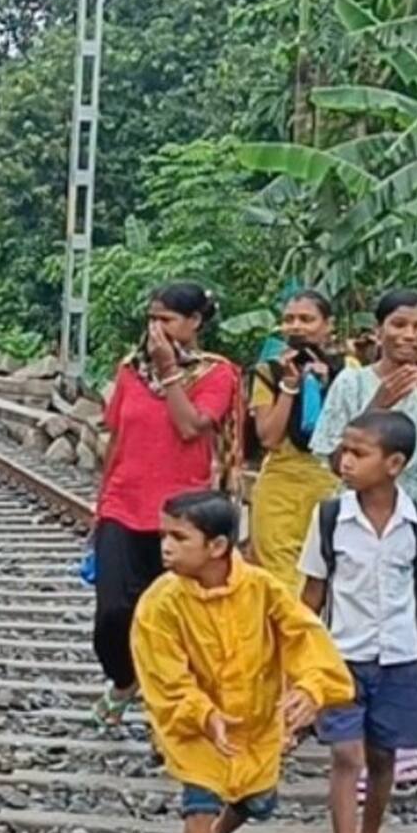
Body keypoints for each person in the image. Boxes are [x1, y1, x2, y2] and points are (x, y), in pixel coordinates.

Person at [132, 490, 353, 833]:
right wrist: (202, 712)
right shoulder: (160, 603)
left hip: (254, 720)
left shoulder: (263, 588)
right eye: (163, 536)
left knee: (258, 802)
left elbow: (303, 635)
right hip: (198, 726)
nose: (165, 547)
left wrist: (312, 687)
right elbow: (164, 674)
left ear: (216, 546)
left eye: (178, 537)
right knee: (198, 801)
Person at [91, 283, 242, 730]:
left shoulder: (217, 374)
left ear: (194, 322)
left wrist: (170, 370)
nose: (156, 329)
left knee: (180, 621)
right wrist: (101, 502)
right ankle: (124, 680)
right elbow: (116, 436)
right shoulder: (130, 370)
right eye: (152, 318)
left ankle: (174, 715)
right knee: (113, 614)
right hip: (124, 503)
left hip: (184, 515)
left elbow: (191, 427)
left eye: (168, 320)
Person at [298, 409, 417, 833]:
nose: (345, 461)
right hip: (341, 659)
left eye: (359, 453)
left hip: (398, 659)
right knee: (346, 756)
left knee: (382, 757)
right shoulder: (330, 517)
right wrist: (295, 661)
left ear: (394, 463)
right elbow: (310, 596)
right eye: (344, 451)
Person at [245, 291, 349, 589]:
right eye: (289, 319)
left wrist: (328, 383)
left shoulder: (349, 370)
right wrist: (290, 386)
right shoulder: (269, 371)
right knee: (282, 585)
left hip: (332, 486)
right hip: (281, 489)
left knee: (328, 581)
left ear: (328, 325)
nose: (296, 326)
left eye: (307, 319)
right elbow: (269, 437)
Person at [310, 289, 417, 503]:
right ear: (378, 331)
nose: (410, 335)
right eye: (399, 324)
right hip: (358, 510)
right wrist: (377, 406)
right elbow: (337, 464)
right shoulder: (352, 383)